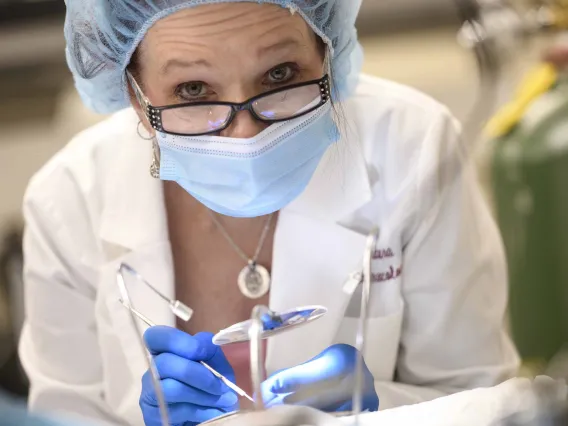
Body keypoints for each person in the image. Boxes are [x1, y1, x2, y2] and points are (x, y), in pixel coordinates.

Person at [19, 1, 520, 425]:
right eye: (193, 90)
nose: (246, 133)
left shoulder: (412, 148)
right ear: (134, 94)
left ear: (329, 52)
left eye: (280, 75)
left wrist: (377, 409)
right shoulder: (69, 201)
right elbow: (65, 414)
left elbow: (483, 401)